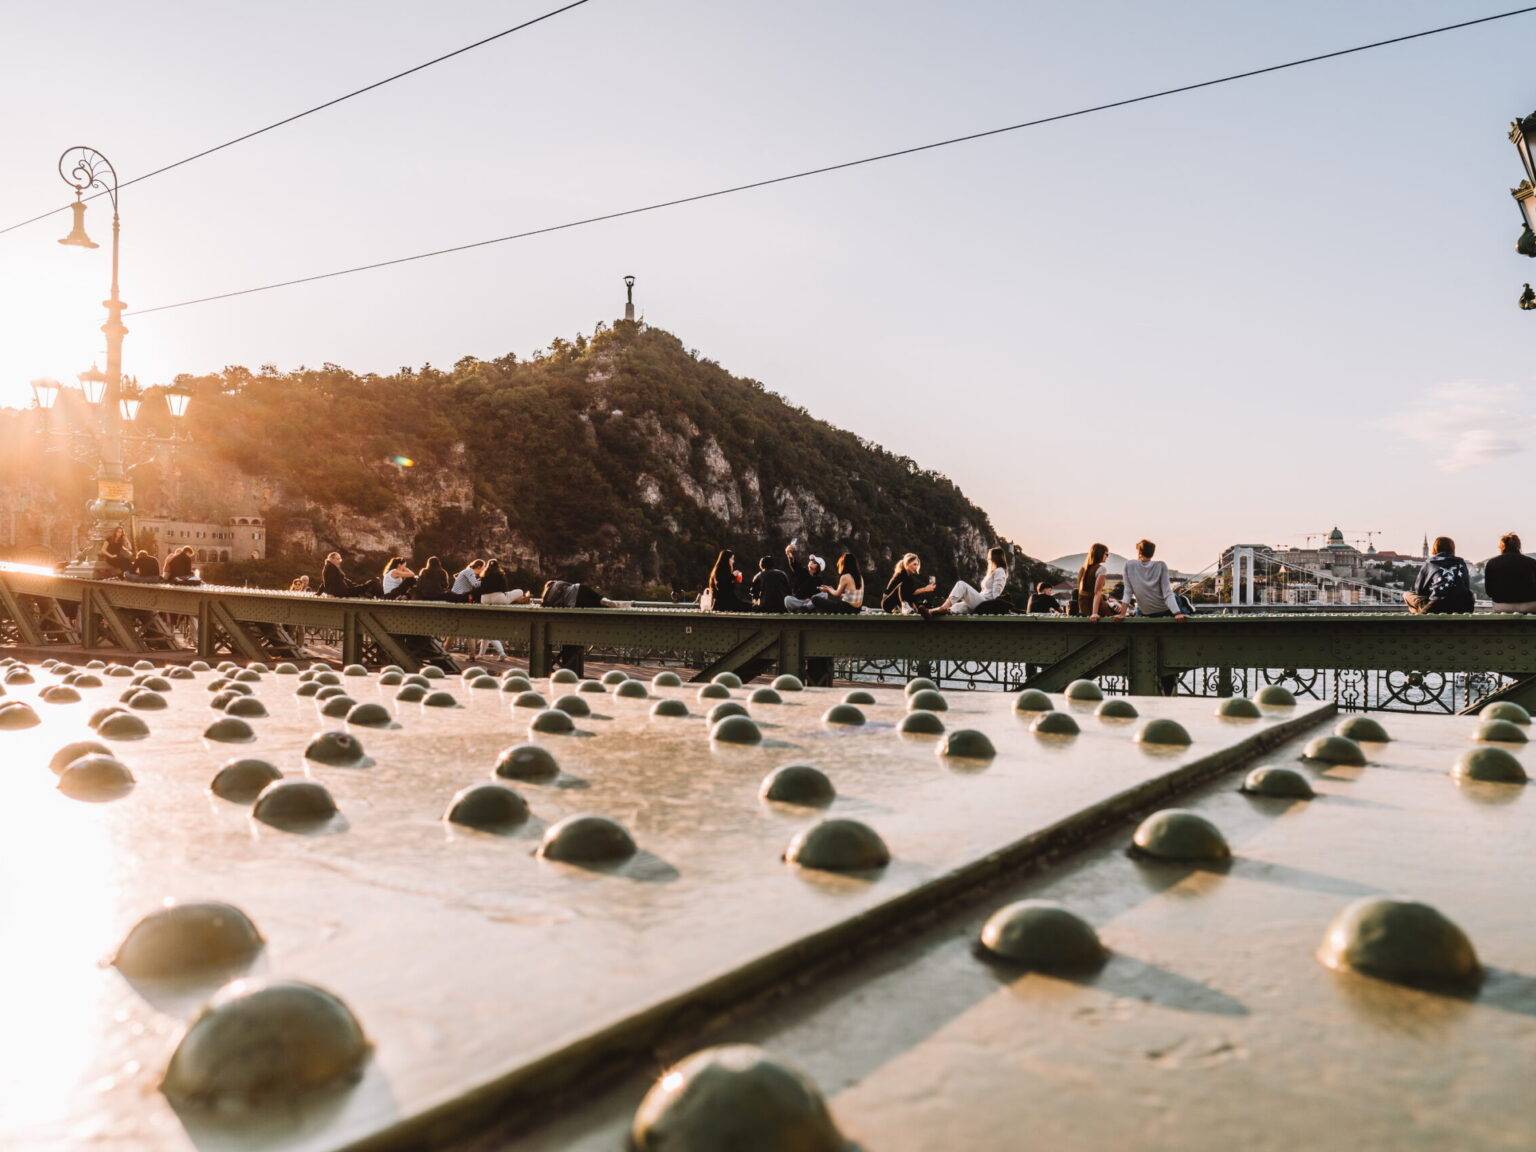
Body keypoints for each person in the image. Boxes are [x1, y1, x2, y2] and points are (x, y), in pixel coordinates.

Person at [927, 546, 1009, 617]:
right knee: (957, 606)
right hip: (982, 600)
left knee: (961, 584)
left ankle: (942, 608)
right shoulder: (994, 572)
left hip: (986, 603)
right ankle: (930, 612)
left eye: (989, 556)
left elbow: (996, 595)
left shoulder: (1000, 571)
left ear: (995, 557)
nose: (988, 559)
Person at [1119, 539, 1187, 620]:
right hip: (1165, 610)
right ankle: (1187, 610)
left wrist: (1122, 614)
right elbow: (1167, 593)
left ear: (1139, 552)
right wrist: (1177, 613)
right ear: (1152, 553)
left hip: (1145, 612)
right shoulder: (1161, 565)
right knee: (1178, 598)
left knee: (1138, 608)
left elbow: (1128, 592)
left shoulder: (1128, 565)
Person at [1406, 536, 1474, 614]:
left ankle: (1418, 612)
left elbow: (1419, 590)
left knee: (1407, 595)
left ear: (1435, 548)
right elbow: (1467, 587)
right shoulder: (1461, 562)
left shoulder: (1429, 563)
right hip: (1464, 607)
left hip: (1435, 607)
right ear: (1452, 548)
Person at [788, 552, 864, 613]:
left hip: (845, 608)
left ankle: (806, 608)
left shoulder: (845, 577)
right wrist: (830, 589)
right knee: (787, 599)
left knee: (816, 598)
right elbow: (852, 596)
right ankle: (804, 607)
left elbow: (836, 594)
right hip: (857, 609)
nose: (811, 563)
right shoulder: (860, 577)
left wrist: (828, 589)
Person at [1482, 533, 1536, 613]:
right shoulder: (1532, 562)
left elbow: (1489, 592)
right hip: (1530, 605)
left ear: (1502, 547)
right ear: (1519, 546)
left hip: (1502, 606)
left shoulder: (1492, 563)